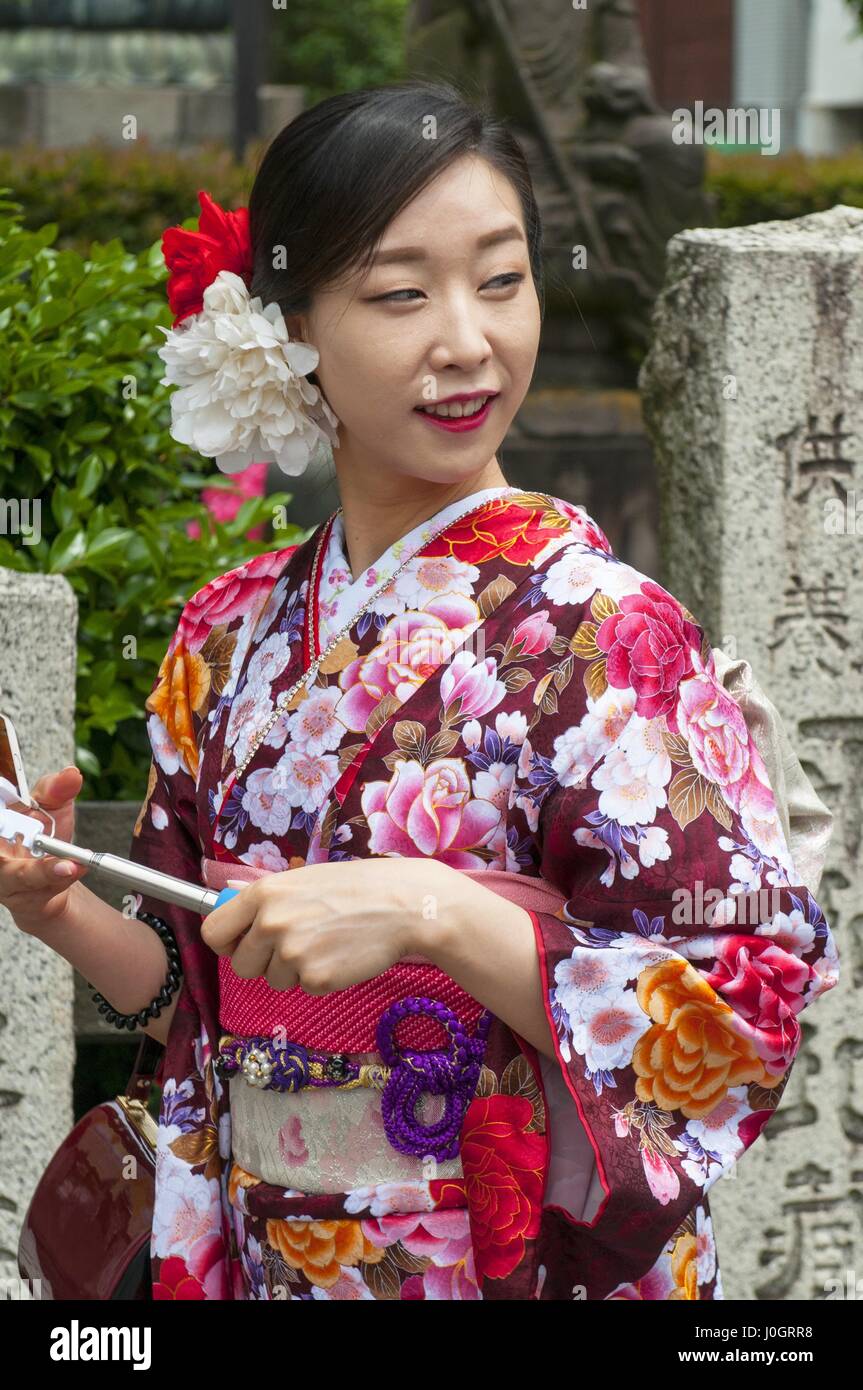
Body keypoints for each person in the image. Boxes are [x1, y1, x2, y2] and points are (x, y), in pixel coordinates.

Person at [3, 79, 838, 1302]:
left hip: (502, 1254)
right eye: (400, 293)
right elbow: (198, 992)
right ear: (288, 331)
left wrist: (435, 914)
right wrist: (63, 909)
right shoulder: (226, 632)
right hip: (258, 1246)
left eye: (500, 280)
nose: (466, 340)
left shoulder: (608, 634)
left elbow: (739, 1012)